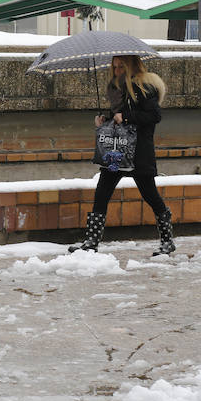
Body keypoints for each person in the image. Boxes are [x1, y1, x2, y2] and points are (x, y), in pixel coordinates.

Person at [68, 54, 175, 256]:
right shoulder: (117, 89)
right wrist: (105, 121)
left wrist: (125, 116)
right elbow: (119, 119)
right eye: (115, 67)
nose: (117, 71)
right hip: (116, 150)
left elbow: (154, 116)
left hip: (138, 152)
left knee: (150, 195)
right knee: (102, 191)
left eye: (121, 67)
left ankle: (167, 240)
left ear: (131, 67)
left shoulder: (144, 87)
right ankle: (91, 241)